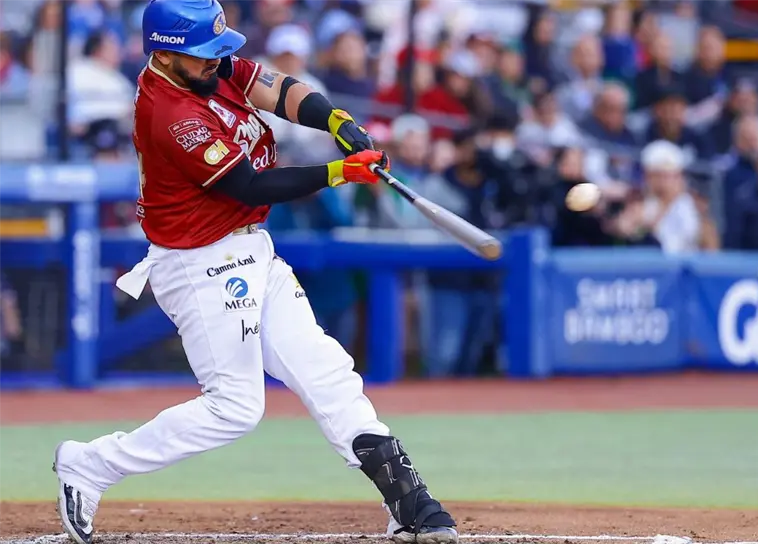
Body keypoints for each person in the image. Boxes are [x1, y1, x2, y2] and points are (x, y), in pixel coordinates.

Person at [50, 3, 459, 544]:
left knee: (325, 370)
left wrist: (336, 120)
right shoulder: (169, 112)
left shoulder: (207, 67)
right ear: (165, 55)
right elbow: (249, 185)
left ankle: (409, 501)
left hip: (251, 248)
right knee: (235, 408)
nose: (217, 61)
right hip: (200, 262)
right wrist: (339, 171)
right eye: (203, 53)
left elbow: (278, 89)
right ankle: (89, 465)